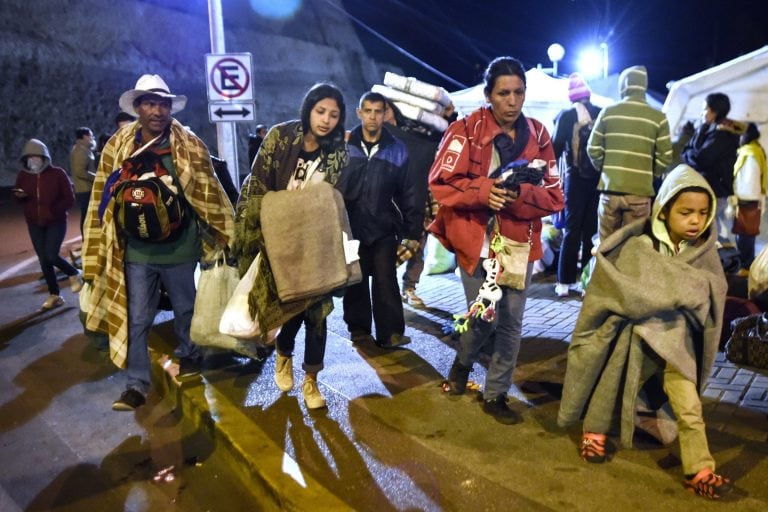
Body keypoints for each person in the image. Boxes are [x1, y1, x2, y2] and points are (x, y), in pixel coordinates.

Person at [558, 164, 732, 500]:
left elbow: (712, 290)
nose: (696, 221)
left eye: (703, 212)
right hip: (634, 334)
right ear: (664, 211)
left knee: (690, 406)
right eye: (685, 213)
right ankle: (595, 432)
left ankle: (700, 469)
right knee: (611, 381)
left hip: (677, 344)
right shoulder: (639, 245)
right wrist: (662, 297)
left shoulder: (706, 253)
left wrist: (680, 294)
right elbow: (620, 288)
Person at [81, 74, 235, 412]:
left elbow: (208, 193)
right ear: (137, 107)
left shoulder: (189, 144)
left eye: (163, 103)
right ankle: (136, 385)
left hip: (180, 249)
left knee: (186, 309)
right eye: (150, 103)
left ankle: (191, 356)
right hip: (136, 250)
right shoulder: (119, 146)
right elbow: (102, 199)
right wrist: (95, 249)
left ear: (170, 108)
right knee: (137, 317)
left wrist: (226, 233)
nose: (157, 110)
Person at [429, 56, 564, 424]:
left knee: (512, 322)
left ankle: (496, 394)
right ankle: (461, 365)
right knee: (483, 317)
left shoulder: (538, 135)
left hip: (520, 242)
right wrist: (484, 191)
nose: (512, 100)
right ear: (489, 95)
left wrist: (517, 195)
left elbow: (555, 196)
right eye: (503, 93)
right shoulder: (464, 130)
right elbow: (441, 184)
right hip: (476, 240)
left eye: (519, 92)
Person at [234, 83, 348, 410]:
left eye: (333, 115)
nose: (326, 120)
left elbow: (331, 199)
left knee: (318, 313)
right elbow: (258, 182)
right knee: (289, 308)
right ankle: (284, 356)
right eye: (320, 111)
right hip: (276, 238)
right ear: (308, 109)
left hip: (315, 241)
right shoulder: (281, 137)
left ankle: (311, 380)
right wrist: (253, 231)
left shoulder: (337, 152)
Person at [337, 91, 421, 349]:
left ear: (385, 115)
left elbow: (409, 192)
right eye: (368, 111)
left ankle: (391, 332)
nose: (373, 116)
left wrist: (412, 233)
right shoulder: (344, 147)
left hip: (384, 228)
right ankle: (359, 330)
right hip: (351, 228)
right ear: (359, 113)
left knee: (385, 280)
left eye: (378, 111)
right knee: (356, 280)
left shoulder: (397, 149)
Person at [587, 65, 673, 242]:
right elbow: (666, 157)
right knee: (634, 248)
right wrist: (649, 175)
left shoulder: (608, 112)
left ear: (623, 86)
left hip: (610, 191)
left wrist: (607, 170)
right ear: (643, 85)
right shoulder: (658, 117)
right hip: (640, 193)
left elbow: (593, 149)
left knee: (605, 246)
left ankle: (604, 270)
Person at [383, 99, 453, 308]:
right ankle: (386, 289)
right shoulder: (375, 138)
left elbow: (440, 136)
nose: (380, 115)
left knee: (418, 246)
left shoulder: (414, 133)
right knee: (389, 248)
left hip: (419, 199)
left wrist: (449, 116)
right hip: (390, 204)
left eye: (384, 110)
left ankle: (409, 288)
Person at [14, 139, 83, 309]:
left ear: (44, 156)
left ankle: (74, 273)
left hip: (55, 222)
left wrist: (53, 212)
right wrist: (19, 197)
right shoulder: (23, 176)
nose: (33, 159)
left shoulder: (58, 173)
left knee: (51, 255)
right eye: (30, 156)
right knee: (44, 260)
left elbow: (69, 198)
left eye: (37, 155)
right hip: (34, 223)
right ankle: (55, 295)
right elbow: (17, 196)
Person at [552, 73, 602, 297]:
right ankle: (587, 283)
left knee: (571, 229)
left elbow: (555, 148)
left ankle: (563, 282)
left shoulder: (567, 115)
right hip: (597, 179)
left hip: (574, 178)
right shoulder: (600, 113)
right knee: (591, 231)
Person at [682, 92, 742, 247]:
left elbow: (702, 159)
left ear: (714, 111)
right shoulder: (711, 130)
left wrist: (690, 154)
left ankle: (720, 264)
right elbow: (687, 151)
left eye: (705, 110)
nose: (702, 114)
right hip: (711, 189)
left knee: (710, 232)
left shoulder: (722, 135)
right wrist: (703, 126)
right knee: (710, 231)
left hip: (716, 191)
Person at [731, 122, 767, 274]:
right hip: (751, 199)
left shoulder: (749, 153)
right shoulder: (755, 150)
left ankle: (746, 266)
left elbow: (749, 181)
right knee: (746, 235)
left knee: (745, 235)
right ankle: (746, 264)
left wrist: (737, 198)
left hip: (747, 200)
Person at [70, 126, 97, 236]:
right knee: (87, 216)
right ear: (85, 136)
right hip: (85, 189)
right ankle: (87, 240)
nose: (92, 138)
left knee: (88, 215)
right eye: (91, 135)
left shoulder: (83, 149)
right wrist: (96, 177)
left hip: (86, 188)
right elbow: (79, 171)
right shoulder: (80, 151)